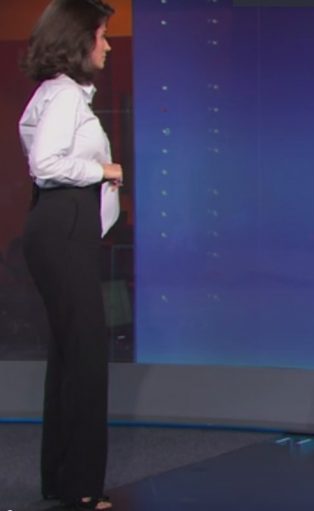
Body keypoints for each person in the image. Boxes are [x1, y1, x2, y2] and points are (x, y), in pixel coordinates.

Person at [19, 0, 121, 509]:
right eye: (101, 35)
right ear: (79, 40)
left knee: (70, 355)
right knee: (84, 358)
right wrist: (104, 171)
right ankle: (80, 487)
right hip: (64, 224)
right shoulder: (63, 96)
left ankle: (63, 480)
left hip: (61, 225)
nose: (108, 45)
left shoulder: (55, 94)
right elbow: (46, 164)